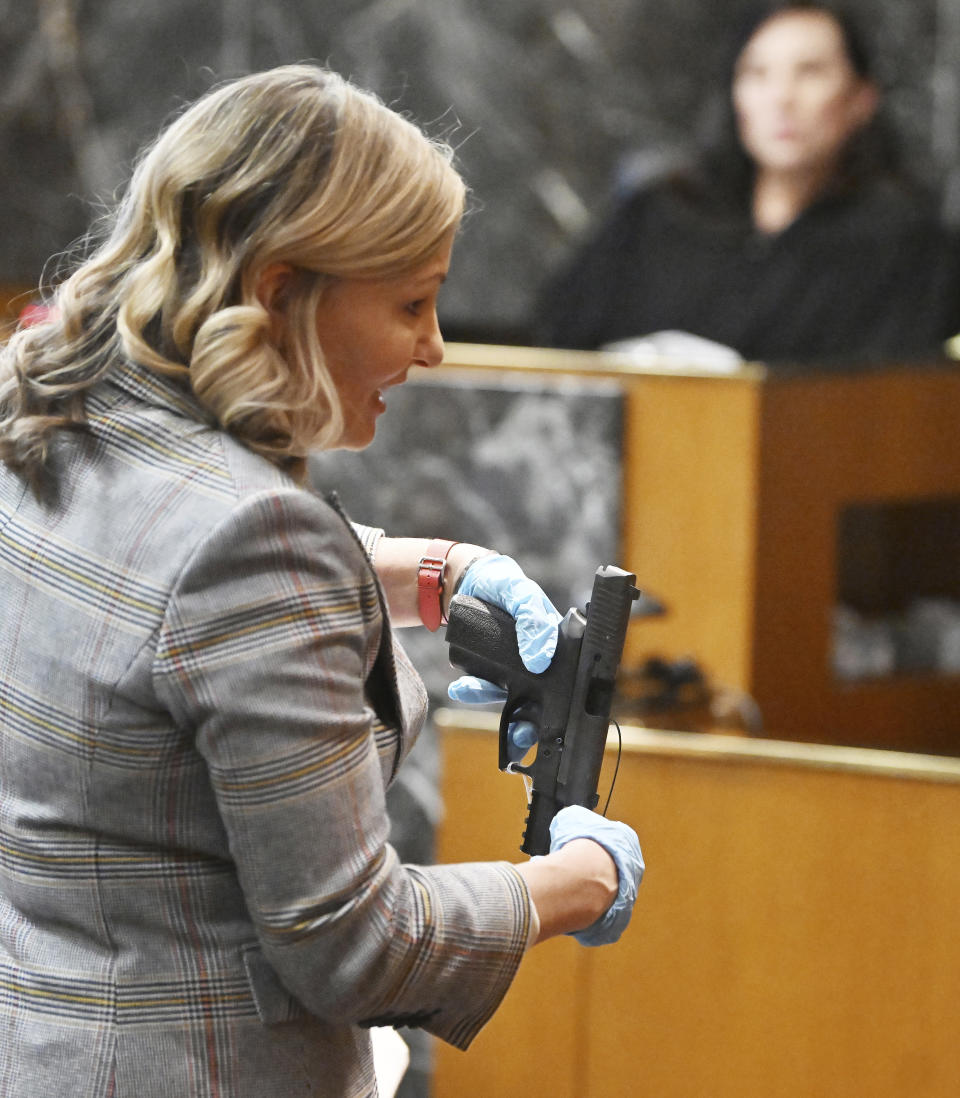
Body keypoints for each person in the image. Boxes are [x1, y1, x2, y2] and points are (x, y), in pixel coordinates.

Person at [0, 64, 643, 1098]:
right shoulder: (255, 539)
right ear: (281, 292)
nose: (434, 348)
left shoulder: (53, 418)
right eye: (414, 303)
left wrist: (429, 575)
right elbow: (356, 944)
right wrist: (574, 881)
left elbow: (153, 585)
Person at [533, 0, 960, 366]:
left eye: (810, 72)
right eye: (757, 73)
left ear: (860, 100)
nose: (782, 98)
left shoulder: (904, 247)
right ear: (735, 94)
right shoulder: (661, 216)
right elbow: (557, 347)